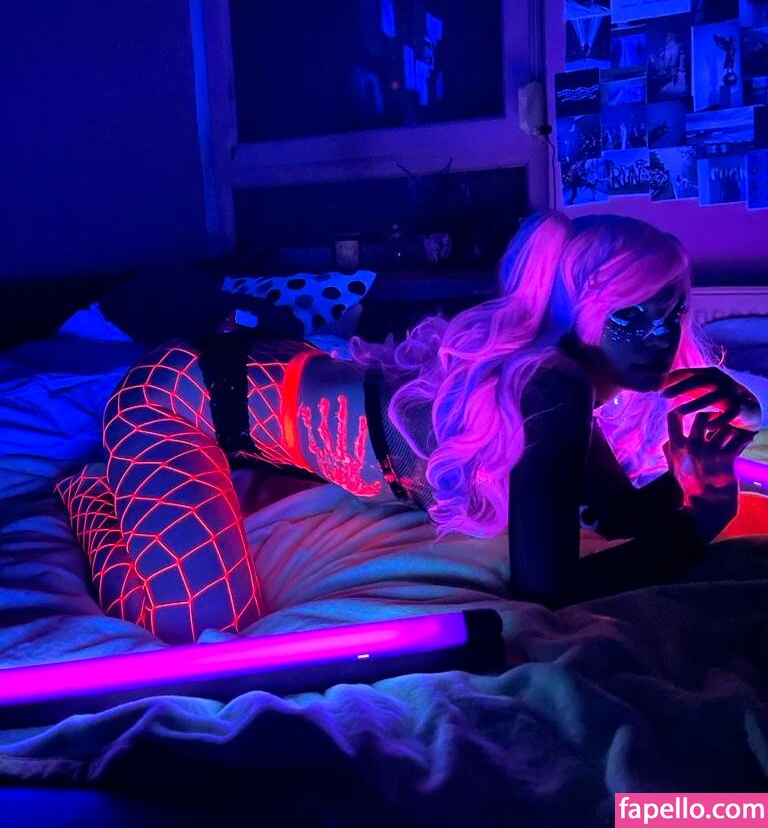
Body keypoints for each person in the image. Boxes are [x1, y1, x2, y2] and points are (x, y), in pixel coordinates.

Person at [56, 212, 763, 644]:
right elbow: (547, 590)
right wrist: (699, 524)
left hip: (258, 383)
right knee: (200, 628)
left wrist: (702, 482)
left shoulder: (559, 384)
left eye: (672, 312)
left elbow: (613, 516)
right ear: (577, 307)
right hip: (173, 399)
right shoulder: (553, 384)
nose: (661, 337)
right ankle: (88, 496)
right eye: (631, 315)